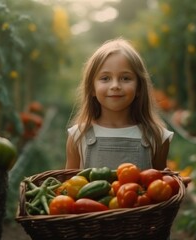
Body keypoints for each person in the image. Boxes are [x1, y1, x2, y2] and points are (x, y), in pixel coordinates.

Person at [65, 38, 174, 171]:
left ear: (139, 87)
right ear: (92, 88)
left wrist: (171, 180)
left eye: (125, 78)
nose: (115, 85)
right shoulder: (78, 136)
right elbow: (69, 187)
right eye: (105, 78)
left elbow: (160, 185)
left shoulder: (157, 137)